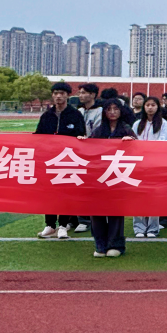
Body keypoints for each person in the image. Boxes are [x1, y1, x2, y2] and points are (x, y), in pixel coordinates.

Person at [82, 99, 135, 257]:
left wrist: (130, 143)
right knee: (96, 211)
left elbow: (137, 150)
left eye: (115, 109)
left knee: (115, 211)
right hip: (99, 177)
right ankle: (100, 244)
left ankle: (116, 245)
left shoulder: (126, 129)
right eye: (109, 109)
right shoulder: (99, 130)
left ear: (120, 111)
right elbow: (89, 150)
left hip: (118, 176)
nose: (112, 112)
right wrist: (82, 142)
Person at [35, 82, 86, 240]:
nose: (58, 96)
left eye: (62, 93)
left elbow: (81, 135)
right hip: (49, 160)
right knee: (49, 193)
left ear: (68, 96)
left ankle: (63, 225)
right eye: (56, 93)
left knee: (66, 193)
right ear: (52, 95)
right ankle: (50, 225)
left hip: (68, 161)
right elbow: (38, 136)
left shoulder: (75, 115)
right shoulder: (47, 116)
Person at [131, 97, 167, 238]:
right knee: (138, 195)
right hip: (139, 164)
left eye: (153, 105)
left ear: (157, 107)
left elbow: (165, 141)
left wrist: (150, 150)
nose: (150, 107)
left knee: (154, 196)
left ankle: (153, 228)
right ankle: (139, 228)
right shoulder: (137, 124)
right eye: (147, 105)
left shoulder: (163, 123)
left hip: (155, 164)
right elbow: (133, 141)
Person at [71, 83, 103, 234]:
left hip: (94, 153)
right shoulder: (79, 111)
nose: (81, 95)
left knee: (91, 187)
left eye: (84, 92)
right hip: (79, 153)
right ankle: (76, 219)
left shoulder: (100, 112)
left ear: (93, 95)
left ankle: (88, 219)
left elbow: (98, 131)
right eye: (80, 92)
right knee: (77, 186)